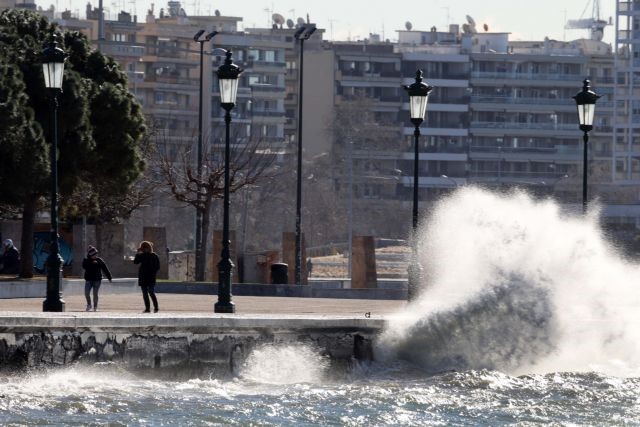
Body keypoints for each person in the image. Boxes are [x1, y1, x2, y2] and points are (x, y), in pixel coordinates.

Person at [82, 245, 112, 312]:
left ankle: (95, 307)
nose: (95, 256)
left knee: (95, 293)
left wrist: (109, 277)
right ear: (90, 255)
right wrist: (91, 262)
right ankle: (89, 305)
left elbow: (105, 269)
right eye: (93, 255)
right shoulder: (86, 260)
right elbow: (84, 266)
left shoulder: (99, 260)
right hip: (88, 279)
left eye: (96, 254)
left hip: (97, 280)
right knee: (86, 293)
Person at [134, 240, 160, 313]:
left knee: (151, 292)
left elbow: (157, 267)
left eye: (144, 248)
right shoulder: (141, 255)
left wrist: (153, 272)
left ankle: (156, 307)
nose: (143, 249)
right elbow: (136, 262)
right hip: (143, 276)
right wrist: (137, 253)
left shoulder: (154, 255)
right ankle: (147, 308)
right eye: (142, 248)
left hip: (151, 277)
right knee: (145, 293)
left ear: (148, 247)